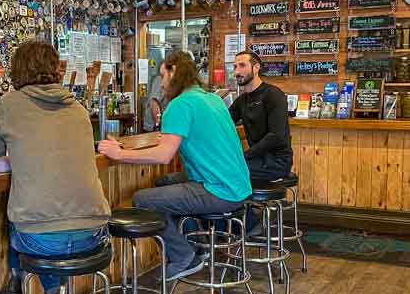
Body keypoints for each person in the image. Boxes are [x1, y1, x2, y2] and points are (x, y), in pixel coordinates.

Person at [0, 41, 110, 294]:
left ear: (16, 71)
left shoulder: (9, 105)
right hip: (95, 236)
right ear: (55, 68)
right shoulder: (78, 108)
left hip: (41, 241)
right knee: (43, 234)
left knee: (21, 231)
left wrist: (18, 160)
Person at [99, 51, 251, 280]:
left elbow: (163, 155)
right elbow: (188, 137)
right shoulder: (211, 99)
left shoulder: (180, 105)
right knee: (165, 183)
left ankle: (183, 256)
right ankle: (196, 245)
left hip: (219, 190)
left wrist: (119, 154)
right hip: (239, 186)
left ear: (174, 72)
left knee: (143, 199)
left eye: (162, 75)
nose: (161, 82)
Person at [229, 50, 293, 234]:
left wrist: (244, 156)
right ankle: (231, 226)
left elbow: (276, 136)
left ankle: (249, 224)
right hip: (256, 160)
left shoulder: (273, 95)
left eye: (242, 66)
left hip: (278, 161)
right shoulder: (242, 100)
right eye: (234, 67)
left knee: (230, 172)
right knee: (225, 170)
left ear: (256, 68)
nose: (236, 72)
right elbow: (223, 122)